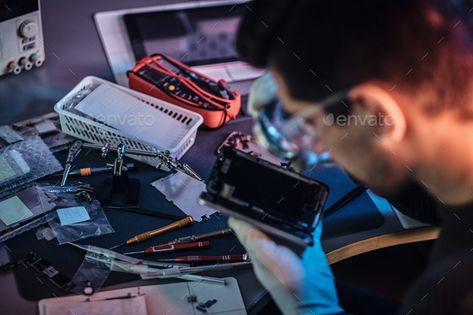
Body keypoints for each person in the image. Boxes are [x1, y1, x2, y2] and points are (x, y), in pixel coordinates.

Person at [228, 1, 473, 314]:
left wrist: (313, 308)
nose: (316, 150)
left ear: (376, 113)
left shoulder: (453, 293)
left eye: (312, 125)